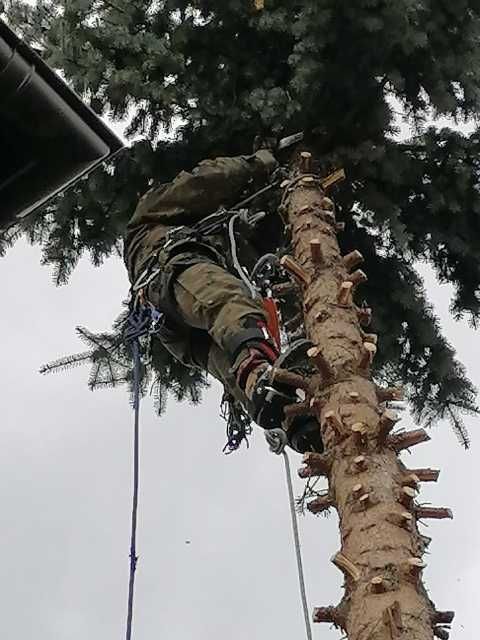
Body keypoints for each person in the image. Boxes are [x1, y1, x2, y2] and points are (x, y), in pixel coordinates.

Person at [124, 149, 322, 453]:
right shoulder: (153, 212)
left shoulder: (214, 239)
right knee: (230, 302)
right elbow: (203, 182)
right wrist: (258, 162)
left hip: (178, 324)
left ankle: (293, 420)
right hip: (172, 272)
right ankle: (259, 374)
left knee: (228, 357)